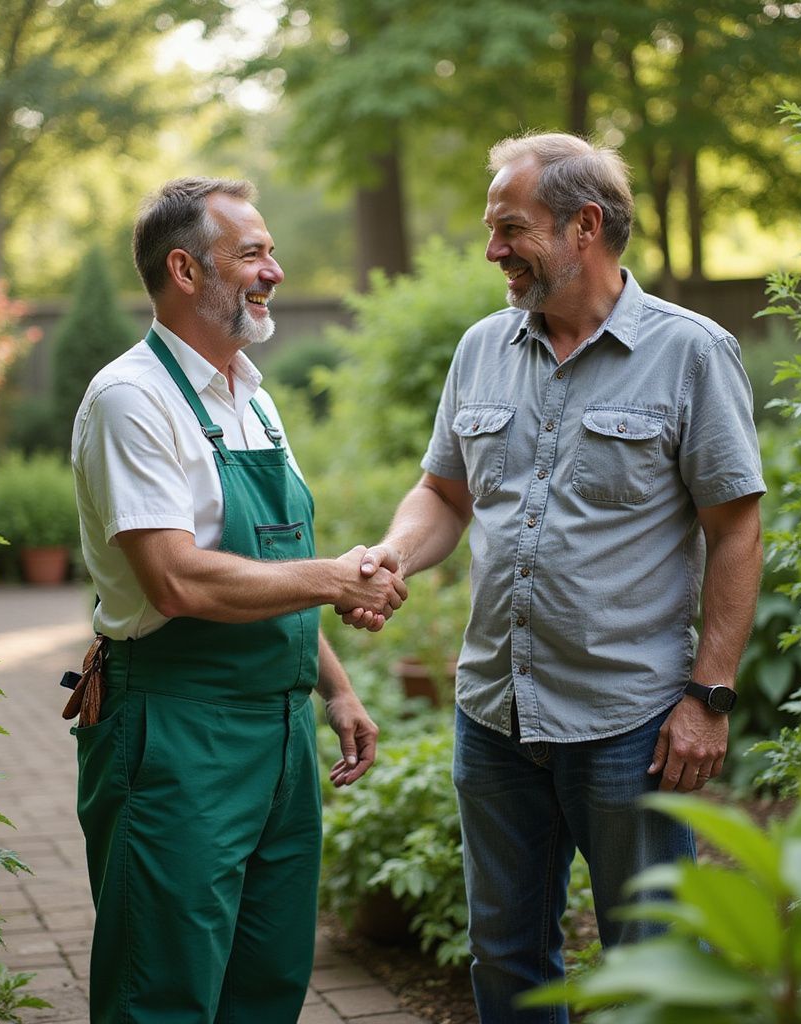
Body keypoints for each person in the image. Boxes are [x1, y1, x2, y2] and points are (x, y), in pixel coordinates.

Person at [340, 133, 765, 1022]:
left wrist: (710, 695)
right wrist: (392, 555)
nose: (492, 249)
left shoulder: (692, 354)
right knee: (506, 959)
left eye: (510, 228)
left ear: (586, 226)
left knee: (648, 966)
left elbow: (734, 530)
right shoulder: (481, 350)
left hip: (630, 723)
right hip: (494, 713)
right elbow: (443, 494)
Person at [68, 176, 407, 1024]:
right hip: (178, 733)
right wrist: (334, 578)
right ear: (184, 270)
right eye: (252, 253)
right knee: (163, 987)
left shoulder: (250, 393)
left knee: (267, 981)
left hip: (280, 736)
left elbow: (265, 560)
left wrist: (336, 687)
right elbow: (176, 578)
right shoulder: (130, 400)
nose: (275, 271)